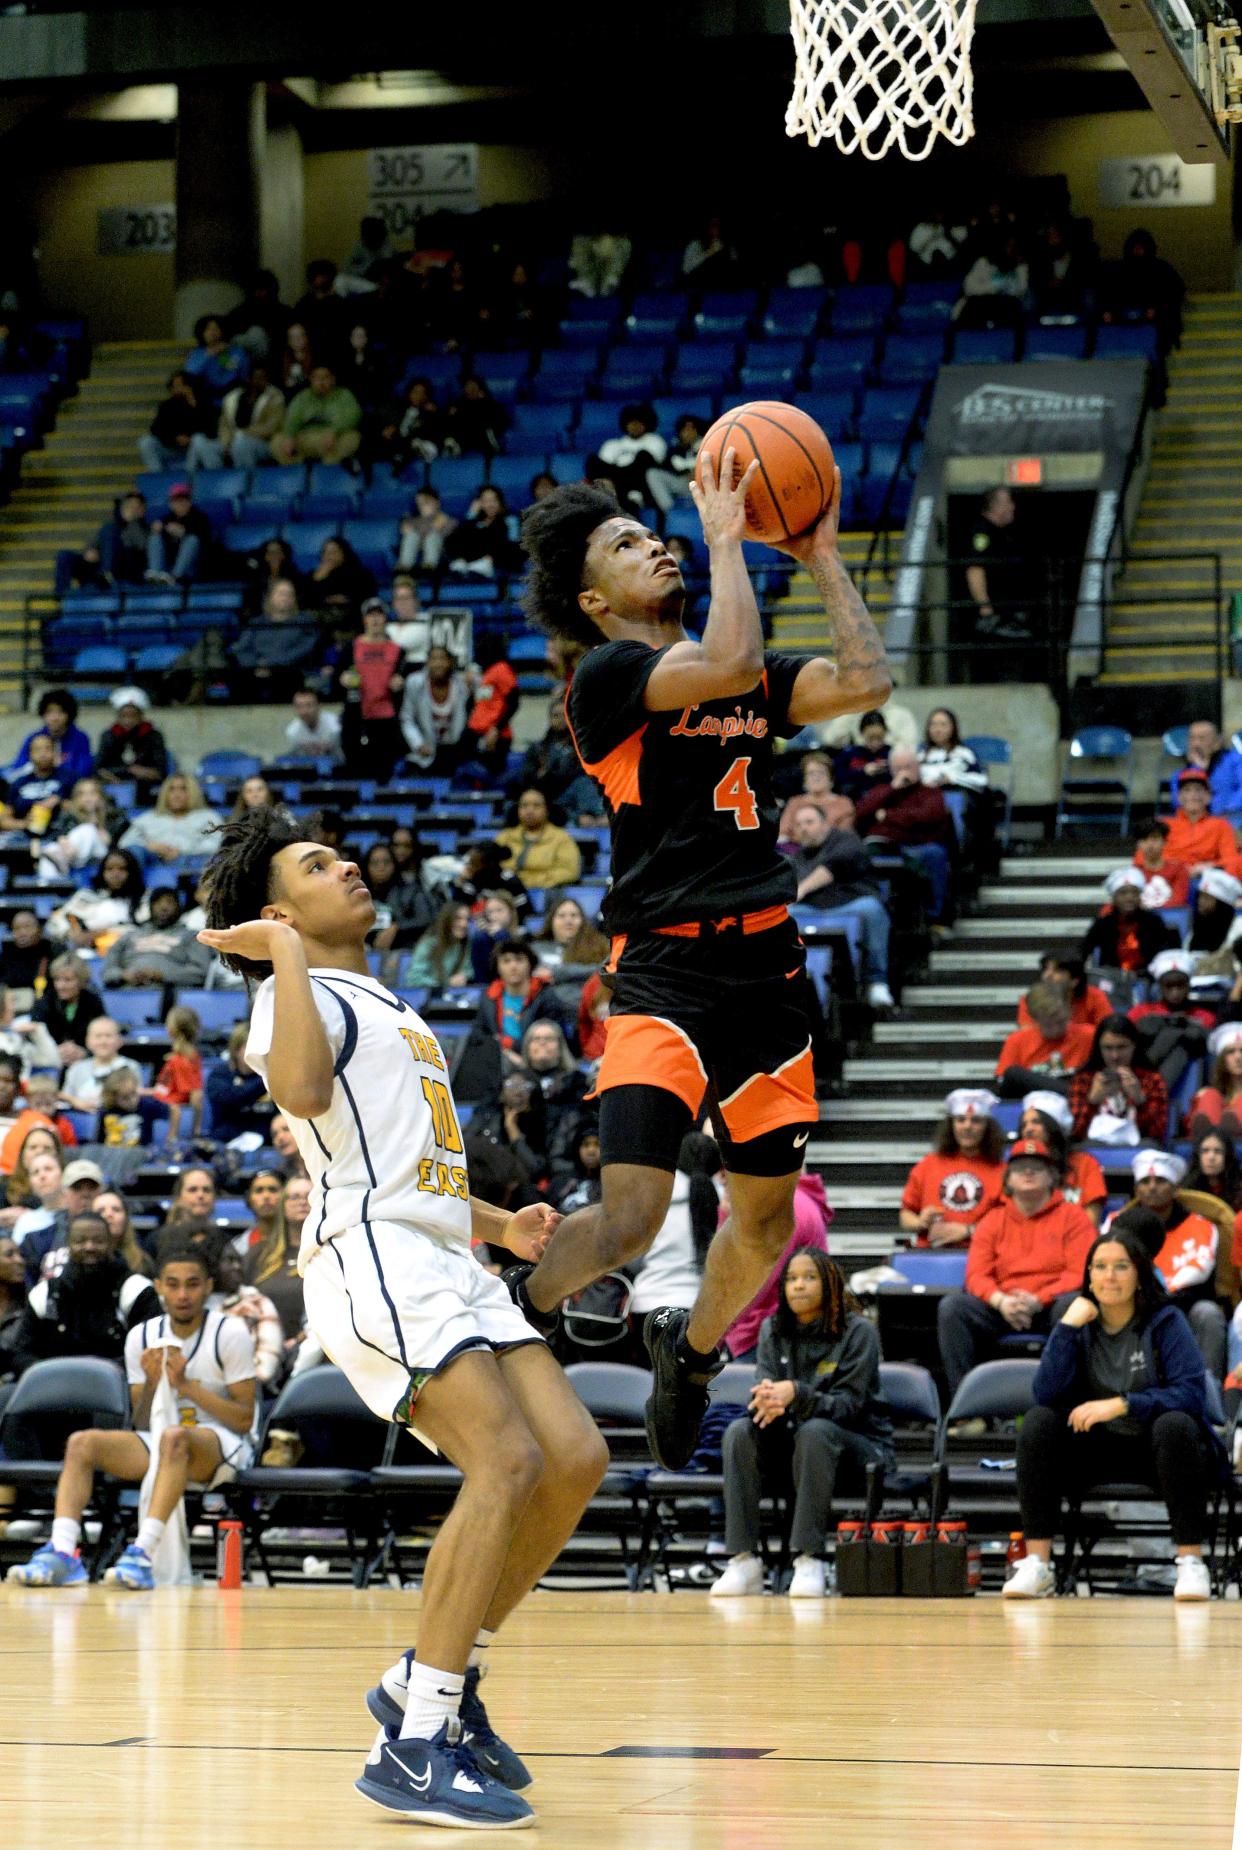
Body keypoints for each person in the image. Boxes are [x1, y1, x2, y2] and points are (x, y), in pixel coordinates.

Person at [197, 805, 609, 1828]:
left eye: (342, 855)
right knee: (505, 1460)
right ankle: (416, 1738)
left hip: (441, 1250)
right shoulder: (294, 995)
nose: (348, 868)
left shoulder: (381, 996)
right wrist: (285, 957)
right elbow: (296, 1092)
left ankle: (430, 1678)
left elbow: (405, 1164)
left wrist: (497, 1221)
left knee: (574, 1452)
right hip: (373, 1261)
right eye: (316, 865)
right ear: (278, 911)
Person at [510, 450, 890, 1470]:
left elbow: (866, 680)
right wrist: (726, 540)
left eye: (656, 532)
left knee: (765, 1225)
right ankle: (520, 1308)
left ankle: (690, 1348)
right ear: (596, 599)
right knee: (633, 1211)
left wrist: (816, 555)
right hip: (665, 976)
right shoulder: (609, 676)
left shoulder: (742, 672)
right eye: (630, 544)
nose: (659, 543)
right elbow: (720, 664)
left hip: (766, 977)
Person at [9, 1239, 257, 1590]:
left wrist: (185, 1386)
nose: (182, 1294)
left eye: (192, 1284)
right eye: (172, 1284)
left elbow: (244, 1420)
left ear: (208, 1287)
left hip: (224, 1445)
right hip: (163, 1439)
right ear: (159, 1288)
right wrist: (155, 1384)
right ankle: (63, 1551)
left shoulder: (229, 1332)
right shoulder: (142, 1336)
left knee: (174, 1438)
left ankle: (142, 1552)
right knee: (83, 1443)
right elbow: (141, 1421)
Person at [1003, 1221, 1220, 1603]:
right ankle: (1038, 1565)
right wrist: (1067, 1327)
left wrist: (1123, 1403)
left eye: (1121, 1266)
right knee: (1039, 1421)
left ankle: (1191, 1564)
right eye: (1100, 1266)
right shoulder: (1077, 1324)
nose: (1109, 1276)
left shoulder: (1166, 1321)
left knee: (1176, 1424)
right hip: (1096, 1451)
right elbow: (1046, 1393)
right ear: (1088, 1275)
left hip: (1155, 1451)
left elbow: (1190, 1394)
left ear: (1139, 1274)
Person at [712, 1251, 893, 1600]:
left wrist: (797, 1393)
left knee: (816, 1431)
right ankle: (743, 1560)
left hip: (861, 1448)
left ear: (830, 1284)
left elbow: (850, 1408)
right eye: (791, 1278)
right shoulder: (772, 1329)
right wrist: (766, 1401)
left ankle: (810, 1558)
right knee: (739, 1432)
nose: (798, 1285)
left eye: (808, 1277)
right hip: (797, 1449)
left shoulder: (859, 1332)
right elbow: (765, 1390)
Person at [936, 1138, 1097, 1393]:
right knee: (953, 1308)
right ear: (1008, 1180)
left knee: (1074, 1306)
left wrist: (1038, 1299)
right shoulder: (992, 1220)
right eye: (1021, 1167)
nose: (1029, 1172)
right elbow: (977, 1274)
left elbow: (1080, 1273)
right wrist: (1001, 1301)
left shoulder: (1074, 1217)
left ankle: (1068, 1402)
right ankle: (966, 1407)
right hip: (1003, 1307)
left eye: (1037, 1166)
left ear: (1052, 1177)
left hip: (1051, 1306)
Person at [4, 1210, 158, 1377]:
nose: (89, 1247)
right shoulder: (45, 1294)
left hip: (120, 1388)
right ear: (68, 1245)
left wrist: (93, 1375)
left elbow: (150, 1351)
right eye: (80, 1241)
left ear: (111, 1244)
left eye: (98, 1241)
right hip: (55, 1387)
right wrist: (53, 1375)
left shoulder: (136, 1290)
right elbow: (20, 1353)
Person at [1122, 1149, 1226, 1377]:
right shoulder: (1117, 1224)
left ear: (1176, 1188)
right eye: (1145, 1181)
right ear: (1136, 1190)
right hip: (1130, 1304)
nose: (1151, 1187)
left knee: (1208, 1313)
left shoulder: (1201, 1225)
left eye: (1160, 1180)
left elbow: (1200, 1270)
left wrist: (1158, 1296)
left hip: (1185, 1304)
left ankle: (1209, 1390)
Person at [787, 802, 895, 1009]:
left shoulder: (846, 839)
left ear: (824, 824)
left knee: (872, 910)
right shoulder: (796, 858)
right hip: (811, 908)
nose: (803, 828)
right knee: (785, 916)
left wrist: (802, 889)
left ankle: (877, 982)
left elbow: (834, 865)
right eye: (799, 824)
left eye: (809, 822)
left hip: (851, 903)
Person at [855, 745, 954, 924]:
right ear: (892, 770)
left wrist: (887, 816)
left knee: (935, 853)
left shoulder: (930, 793)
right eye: (899, 768)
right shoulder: (882, 791)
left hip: (918, 845)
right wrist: (892, 789)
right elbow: (861, 813)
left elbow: (927, 817)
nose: (904, 773)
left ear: (918, 767)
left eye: (908, 767)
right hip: (884, 848)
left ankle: (935, 916)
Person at [899, 1087, 1006, 1248]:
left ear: (987, 1127)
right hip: (930, 1254)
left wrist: (968, 1231)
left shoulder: (1002, 1170)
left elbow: (1010, 1223)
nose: (967, 1126)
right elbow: (905, 1215)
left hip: (982, 1255)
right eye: (960, 1120)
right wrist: (921, 1222)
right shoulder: (928, 1164)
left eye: (976, 1120)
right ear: (951, 1125)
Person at [1067, 1013, 1169, 1146]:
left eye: (1122, 1047)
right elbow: (1074, 1134)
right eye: (1108, 1048)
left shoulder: (1151, 1079)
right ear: (1099, 1048)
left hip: (1138, 1150)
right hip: (1093, 1151)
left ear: (1134, 1046)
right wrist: (1092, 1102)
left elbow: (1158, 1135)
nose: (1115, 1056)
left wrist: (1140, 1100)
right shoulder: (1084, 1079)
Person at [475, 939, 575, 1065]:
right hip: (497, 1060)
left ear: (530, 965)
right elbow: (479, 1034)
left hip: (538, 1062)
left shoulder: (545, 996)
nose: (513, 966)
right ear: (497, 967)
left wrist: (507, 1045)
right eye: (506, 961)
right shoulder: (489, 997)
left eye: (519, 960)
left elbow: (549, 1040)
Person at [1127, 948, 1214, 1091]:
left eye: (1180, 985)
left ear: (1188, 985)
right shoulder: (1141, 1012)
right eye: (1169, 986)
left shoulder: (1204, 1017)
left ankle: (1156, 1093)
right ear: (1160, 986)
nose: (1175, 992)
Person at [1018, 1091, 1107, 1225]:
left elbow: (1090, 1224)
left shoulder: (1085, 1164)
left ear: (1053, 1127)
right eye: (1024, 1125)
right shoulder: (1016, 1168)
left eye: (1036, 1122)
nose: (1028, 1129)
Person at [964, 486, 1032, 659]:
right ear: (996, 506)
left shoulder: (1003, 533)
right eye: (1009, 502)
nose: (1013, 507)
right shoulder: (983, 532)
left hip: (1010, 614)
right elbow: (975, 570)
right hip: (996, 618)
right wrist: (985, 607)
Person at [995, 982, 1095, 1096]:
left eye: (1060, 1022)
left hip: (1077, 1103)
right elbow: (1004, 1084)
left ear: (1070, 1010)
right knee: (1013, 1074)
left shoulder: (1089, 1035)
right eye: (1048, 1024)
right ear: (1034, 1018)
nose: (1056, 1029)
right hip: (1033, 1104)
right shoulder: (1017, 1041)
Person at [101, 888, 213, 990]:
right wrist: (124, 975)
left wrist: (162, 975)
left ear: (179, 907)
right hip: (127, 990)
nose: (163, 907)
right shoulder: (129, 935)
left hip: (170, 991)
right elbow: (107, 972)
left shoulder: (192, 936)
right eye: (157, 902)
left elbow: (200, 973)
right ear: (150, 907)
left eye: (169, 902)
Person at [1082, 867, 1177, 985]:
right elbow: (1084, 949)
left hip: (1147, 979)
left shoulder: (1153, 921)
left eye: (1134, 892)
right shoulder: (1103, 923)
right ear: (1114, 898)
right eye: (1123, 893)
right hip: (1112, 979)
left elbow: (1164, 954)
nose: (1129, 898)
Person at [188, 363, 286, 472]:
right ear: (249, 379)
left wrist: (242, 434)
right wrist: (226, 442)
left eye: (263, 377)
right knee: (198, 440)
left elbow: (271, 427)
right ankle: (218, 481)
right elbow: (223, 424)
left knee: (241, 443)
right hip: (231, 441)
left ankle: (247, 483)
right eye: (256, 377)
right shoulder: (233, 398)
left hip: (263, 444)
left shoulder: (275, 397)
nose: (259, 381)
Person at [399, 643, 471, 773]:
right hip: (424, 755)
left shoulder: (461, 686)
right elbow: (407, 719)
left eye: (442, 659)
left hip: (455, 756)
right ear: (427, 662)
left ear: (450, 662)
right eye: (433, 659)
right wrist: (418, 744)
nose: (438, 663)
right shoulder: (415, 683)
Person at [270, 364, 362, 465]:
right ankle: (300, 471)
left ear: (333, 379)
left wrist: (335, 432)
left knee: (352, 439)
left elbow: (354, 416)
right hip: (306, 437)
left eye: (325, 378)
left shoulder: (344, 395)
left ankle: (328, 472)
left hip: (333, 437)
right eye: (317, 378)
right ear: (311, 380)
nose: (321, 382)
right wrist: (289, 436)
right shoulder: (303, 396)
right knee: (277, 442)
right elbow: (292, 418)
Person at [119, 771, 221, 863]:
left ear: (193, 792)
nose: (176, 795)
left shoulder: (208, 817)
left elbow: (219, 843)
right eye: (171, 789)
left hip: (191, 863)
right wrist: (148, 847)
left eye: (183, 789)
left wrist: (182, 850)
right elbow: (125, 843)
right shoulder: (149, 818)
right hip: (153, 861)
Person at [494, 789, 582, 894]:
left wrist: (528, 881)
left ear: (547, 810)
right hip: (506, 894)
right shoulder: (505, 836)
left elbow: (570, 871)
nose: (529, 810)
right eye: (524, 806)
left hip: (547, 893)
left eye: (536, 805)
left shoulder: (561, 838)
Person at [585, 403, 668, 511]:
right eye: (631, 422)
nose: (635, 425)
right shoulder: (613, 444)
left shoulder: (655, 440)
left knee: (644, 457)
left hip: (640, 485)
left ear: (647, 423)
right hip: (616, 483)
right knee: (593, 461)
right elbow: (603, 470)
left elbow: (651, 466)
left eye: (639, 421)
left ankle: (628, 496)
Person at [206, 1021, 275, 1142]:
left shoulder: (270, 1077)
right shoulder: (219, 1076)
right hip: (227, 1142)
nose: (259, 1052)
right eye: (253, 1047)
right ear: (236, 1050)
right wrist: (268, 1078)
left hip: (267, 1144)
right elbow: (233, 1098)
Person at [31, 953, 104, 1066]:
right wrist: (54, 1051)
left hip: (85, 1062)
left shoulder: (92, 1001)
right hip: (51, 1061)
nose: (61, 986)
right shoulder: (45, 1001)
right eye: (57, 980)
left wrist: (84, 1052)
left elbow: (101, 1033)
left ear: (81, 981)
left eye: (67, 980)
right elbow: (35, 1035)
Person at [94, 687, 169, 793]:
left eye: (133, 715)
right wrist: (130, 770)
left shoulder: (153, 736)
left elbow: (160, 771)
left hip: (147, 788)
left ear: (141, 715)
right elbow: (99, 769)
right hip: (115, 786)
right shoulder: (108, 736)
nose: (127, 721)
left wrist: (146, 773)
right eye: (123, 716)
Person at [1164, 771, 1239, 877]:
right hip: (1170, 877)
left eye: (1198, 790)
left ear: (1208, 797)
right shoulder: (1164, 824)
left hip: (1208, 878)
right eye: (1187, 790)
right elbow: (1146, 857)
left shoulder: (1221, 824)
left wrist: (1208, 866)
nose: (1193, 795)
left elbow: (1231, 859)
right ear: (1179, 797)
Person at [14, 689, 93, 789]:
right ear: (43, 714)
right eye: (49, 712)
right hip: (37, 787)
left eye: (60, 712)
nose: (54, 718)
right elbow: (19, 768)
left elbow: (84, 771)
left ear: (69, 714)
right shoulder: (34, 738)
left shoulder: (80, 738)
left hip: (69, 789)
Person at [62, 1017, 141, 1112]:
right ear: (87, 1041)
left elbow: (135, 1100)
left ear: (119, 1040)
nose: (103, 1042)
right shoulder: (76, 1068)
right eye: (98, 1036)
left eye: (108, 1036)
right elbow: (65, 1100)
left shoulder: (130, 1066)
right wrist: (75, 1102)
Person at [1017, 952, 1112, 1032]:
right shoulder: (1030, 999)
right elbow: (1028, 1035)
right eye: (1046, 969)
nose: (1048, 975)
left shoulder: (1095, 996)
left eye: (1057, 971)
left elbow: (1107, 1032)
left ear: (1074, 980)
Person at [443, 487, 522, 580]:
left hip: (498, 560)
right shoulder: (475, 521)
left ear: (500, 502)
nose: (490, 504)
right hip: (473, 559)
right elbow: (454, 540)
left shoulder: (510, 519)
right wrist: (471, 515)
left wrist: (490, 559)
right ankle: (462, 564)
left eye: (493, 500)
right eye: (485, 501)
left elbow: (513, 545)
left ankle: (483, 565)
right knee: (457, 538)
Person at [138, 370, 209, 473]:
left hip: (193, 447)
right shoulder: (167, 406)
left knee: (198, 440)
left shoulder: (203, 404)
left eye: (181, 386)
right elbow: (156, 429)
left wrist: (192, 402)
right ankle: (157, 476)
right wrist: (175, 438)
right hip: (172, 446)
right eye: (175, 386)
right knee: (146, 442)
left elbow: (208, 426)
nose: (178, 389)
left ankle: (191, 477)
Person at [146, 482, 213, 586]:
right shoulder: (166, 519)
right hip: (167, 566)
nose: (179, 504)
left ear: (189, 502)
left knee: (192, 540)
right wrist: (158, 530)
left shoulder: (200, 518)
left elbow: (205, 542)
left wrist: (184, 531)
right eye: (176, 501)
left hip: (191, 568)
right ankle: (155, 574)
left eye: (183, 501)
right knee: (155, 537)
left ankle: (175, 577)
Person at [1188, 1021, 1242, 1140]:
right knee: (1209, 1095)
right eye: (1231, 1052)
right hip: (1209, 1150)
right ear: (1222, 1060)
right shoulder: (1214, 1095)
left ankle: (1225, 1138)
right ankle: (1210, 1138)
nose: (1238, 1057)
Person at [403, 901, 474, 990]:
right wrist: (445, 984)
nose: (464, 924)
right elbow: (414, 979)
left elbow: (468, 970)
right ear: (447, 920)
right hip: (429, 997)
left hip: (452, 996)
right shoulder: (429, 944)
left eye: (467, 919)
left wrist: (464, 976)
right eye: (458, 918)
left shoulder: (464, 944)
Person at [531, 896, 609, 976]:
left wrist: (555, 973)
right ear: (551, 921)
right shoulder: (535, 949)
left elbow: (605, 970)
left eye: (574, 915)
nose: (568, 921)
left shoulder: (599, 946)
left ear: (583, 921)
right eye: (561, 916)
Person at [646, 414, 705, 515]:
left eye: (691, 429)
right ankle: (669, 512)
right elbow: (672, 466)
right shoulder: (674, 447)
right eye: (685, 430)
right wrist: (687, 472)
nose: (688, 433)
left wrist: (696, 472)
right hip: (683, 483)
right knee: (652, 473)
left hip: (703, 482)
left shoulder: (707, 444)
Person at [1131, 816, 1190, 910]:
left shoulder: (1178, 870)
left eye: (1154, 839)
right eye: (1144, 839)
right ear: (1138, 844)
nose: (1150, 844)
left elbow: (1178, 901)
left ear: (1165, 842)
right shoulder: (1132, 874)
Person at [396, 485, 458, 574]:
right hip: (417, 549)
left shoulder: (448, 520)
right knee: (411, 536)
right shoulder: (414, 520)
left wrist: (434, 530)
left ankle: (429, 568)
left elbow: (450, 541)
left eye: (426, 503)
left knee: (433, 537)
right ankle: (404, 567)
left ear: (437, 502)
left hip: (442, 555)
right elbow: (411, 534)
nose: (421, 507)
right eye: (419, 504)